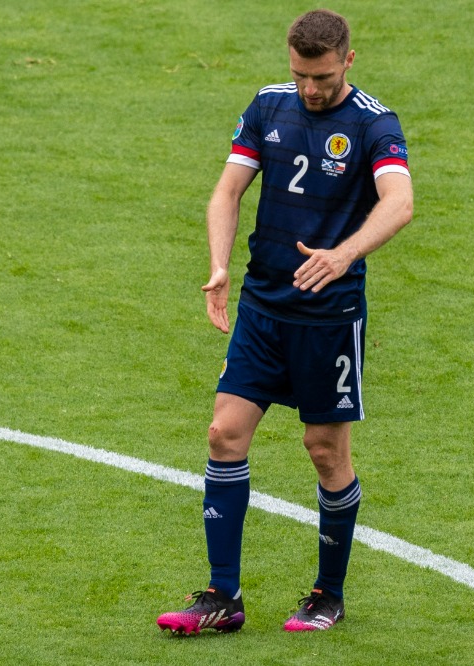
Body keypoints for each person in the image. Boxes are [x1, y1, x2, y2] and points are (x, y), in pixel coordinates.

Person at [157, 8, 412, 636]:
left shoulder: (374, 123)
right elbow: (227, 192)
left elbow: (400, 202)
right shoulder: (269, 107)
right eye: (300, 74)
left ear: (348, 60)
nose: (310, 88)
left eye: (321, 76)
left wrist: (344, 253)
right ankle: (223, 596)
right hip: (263, 306)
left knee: (324, 451)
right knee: (223, 435)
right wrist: (220, 265)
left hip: (329, 318)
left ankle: (328, 592)